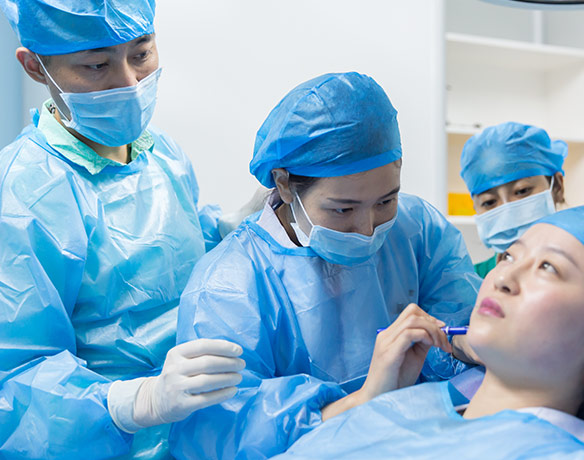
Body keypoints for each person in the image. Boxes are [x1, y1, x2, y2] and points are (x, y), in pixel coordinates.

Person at [169, 72, 482, 459]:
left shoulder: (416, 229)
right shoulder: (227, 287)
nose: (368, 230)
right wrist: (365, 402)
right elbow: (221, 434)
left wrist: (460, 343)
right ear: (284, 185)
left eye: (386, 201)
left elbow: (461, 324)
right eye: (343, 210)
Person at [0, 1, 261, 458]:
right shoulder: (23, 196)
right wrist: (135, 402)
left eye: (141, 54)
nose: (129, 83)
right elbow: (17, 381)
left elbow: (173, 259)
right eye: (96, 65)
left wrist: (231, 232)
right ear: (35, 67)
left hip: (197, 430)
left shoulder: (159, 153)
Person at [270, 200, 584, 459]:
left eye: (548, 267)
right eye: (509, 256)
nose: (503, 278)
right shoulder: (410, 407)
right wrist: (368, 399)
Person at [460, 121, 567, 278]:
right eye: (489, 202)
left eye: (522, 191)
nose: (507, 212)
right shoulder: (471, 282)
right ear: (475, 208)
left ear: (557, 186)